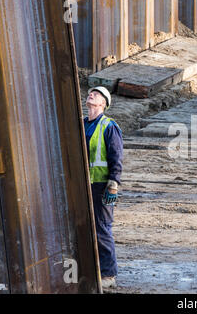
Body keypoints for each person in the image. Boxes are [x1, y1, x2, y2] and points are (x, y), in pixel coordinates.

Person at [84, 86, 123, 288]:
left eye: (96, 94)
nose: (91, 94)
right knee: (83, 227)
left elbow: (116, 156)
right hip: (83, 184)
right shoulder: (82, 124)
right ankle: (89, 270)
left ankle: (108, 275)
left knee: (102, 228)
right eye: (90, 93)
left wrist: (114, 183)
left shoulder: (109, 126)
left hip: (102, 186)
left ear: (103, 104)